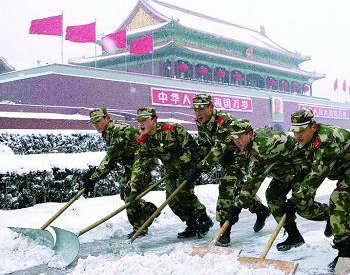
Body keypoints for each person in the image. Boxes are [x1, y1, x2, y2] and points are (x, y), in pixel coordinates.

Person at [286, 109, 350, 269]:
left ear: (313, 127)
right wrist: (298, 194)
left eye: (301, 130)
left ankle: (345, 254)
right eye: (294, 130)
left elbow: (316, 175)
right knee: (343, 207)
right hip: (344, 170)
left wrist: (296, 199)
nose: (297, 135)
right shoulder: (306, 141)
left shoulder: (327, 139)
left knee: (338, 199)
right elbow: (306, 168)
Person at [224, 118, 331, 251]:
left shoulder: (262, 148)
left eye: (239, 137)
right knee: (273, 196)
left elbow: (252, 183)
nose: (237, 142)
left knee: (303, 207)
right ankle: (294, 236)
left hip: (302, 169)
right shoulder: (249, 143)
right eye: (234, 138)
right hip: (284, 171)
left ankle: (330, 214)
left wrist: (236, 208)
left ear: (250, 134)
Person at [183, 94, 270, 247]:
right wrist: (196, 162)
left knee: (226, 186)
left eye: (201, 109)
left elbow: (218, 149)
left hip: (241, 156)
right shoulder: (201, 122)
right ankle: (260, 209)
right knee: (237, 191)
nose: (198, 113)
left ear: (211, 107)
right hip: (227, 160)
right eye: (195, 109)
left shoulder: (224, 121)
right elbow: (205, 145)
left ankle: (224, 230)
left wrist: (199, 168)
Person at [129, 107, 213, 238]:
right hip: (171, 172)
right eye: (139, 121)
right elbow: (140, 163)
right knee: (172, 199)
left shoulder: (172, 129)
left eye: (144, 120)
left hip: (188, 168)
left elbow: (192, 148)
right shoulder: (145, 141)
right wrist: (134, 185)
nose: (141, 124)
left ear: (154, 120)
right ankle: (191, 224)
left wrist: (187, 166)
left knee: (184, 194)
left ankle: (203, 219)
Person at [83, 107, 157, 238]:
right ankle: (148, 210)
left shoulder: (118, 131)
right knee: (124, 193)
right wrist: (93, 176)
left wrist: (93, 178)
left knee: (130, 194)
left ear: (107, 118)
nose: (96, 125)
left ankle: (140, 228)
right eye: (93, 122)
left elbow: (111, 159)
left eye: (98, 121)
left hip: (144, 161)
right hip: (132, 164)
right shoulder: (108, 132)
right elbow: (113, 158)